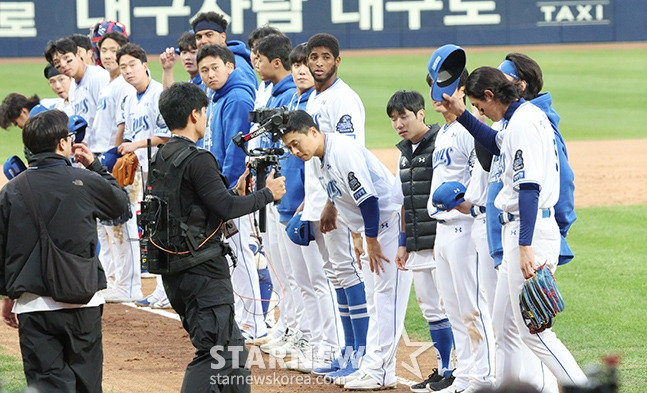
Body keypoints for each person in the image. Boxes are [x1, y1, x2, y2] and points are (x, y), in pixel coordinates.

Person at [439, 66, 588, 388]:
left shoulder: (523, 122)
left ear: (491, 95)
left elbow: (529, 188)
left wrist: (524, 247)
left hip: (528, 233)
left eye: (480, 106)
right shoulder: (521, 117)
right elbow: (494, 142)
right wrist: (462, 114)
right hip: (519, 232)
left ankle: (583, 388)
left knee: (534, 332)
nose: (481, 111)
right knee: (503, 326)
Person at [152, 81, 285, 393]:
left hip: (176, 271)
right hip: (201, 271)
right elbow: (225, 208)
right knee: (217, 353)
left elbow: (200, 202)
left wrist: (232, 192)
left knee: (233, 350)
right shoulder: (198, 159)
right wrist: (268, 194)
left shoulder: (163, 155)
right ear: (195, 114)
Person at [281, 110, 412, 390]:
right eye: (289, 147)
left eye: (296, 143)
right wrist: (331, 207)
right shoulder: (317, 156)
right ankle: (376, 368)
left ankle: (378, 370)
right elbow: (337, 188)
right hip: (374, 229)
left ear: (313, 132)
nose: (294, 151)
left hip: (386, 226)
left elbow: (369, 200)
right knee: (375, 299)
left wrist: (371, 240)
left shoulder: (342, 151)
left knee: (387, 300)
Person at [0, 109, 129, 392]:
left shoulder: (11, 191)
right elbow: (121, 206)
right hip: (83, 301)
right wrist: (95, 166)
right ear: (62, 144)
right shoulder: (84, 181)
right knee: (87, 384)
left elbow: (3, 250)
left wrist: (9, 297)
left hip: (34, 305)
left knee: (47, 386)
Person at [425, 47, 495, 393]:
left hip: (465, 229)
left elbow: (480, 177)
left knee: (472, 308)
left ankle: (485, 377)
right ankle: (466, 376)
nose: (438, 96)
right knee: (453, 310)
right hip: (442, 231)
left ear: (462, 91)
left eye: (446, 89)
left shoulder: (471, 129)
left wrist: (466, 203)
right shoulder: (445, 132)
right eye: (433, 89)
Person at [302, 33, 370, 383]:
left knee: (346, 272)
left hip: (339, 200)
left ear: (337, 61)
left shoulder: (343, 100)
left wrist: (331, 203)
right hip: (319, 200)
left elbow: (348, 157)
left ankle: (361, 354)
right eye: (314, 57)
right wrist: (308, 205)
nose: (318, 63)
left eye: (325, 57)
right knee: (335, 275)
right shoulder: (314, 98)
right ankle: (348, 351)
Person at [196, 44, 269, 341]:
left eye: (215, 67)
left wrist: (224, 191)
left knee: (239, 255)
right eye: (204, 71)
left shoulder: (236, 97)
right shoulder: (218, 95)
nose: (210, 74)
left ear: (230, 66)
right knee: (234, 256)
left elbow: (236, 151)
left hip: (231, 190)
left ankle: (255, 323)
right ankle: (249, 319)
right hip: (221, 188)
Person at [386, 90, 456, 393]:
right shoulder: (404, 153)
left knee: (454, 307)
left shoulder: (440, 142)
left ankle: (463, 370)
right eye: (393, 119)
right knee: (431, 308)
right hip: (417, 244)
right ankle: (445, 369)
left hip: (443, 240)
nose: (399, 123)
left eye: (404, 116)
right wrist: (402, 242)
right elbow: (404, 201)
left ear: (421, 114)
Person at [116, 43, 172, 308]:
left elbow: (167, 135)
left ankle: (165, 289)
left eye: (132, 65)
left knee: (160, 229)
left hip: (159, 169)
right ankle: (161, 288)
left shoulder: (159, 93)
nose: (128, 71)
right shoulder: (129, 99)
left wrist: (135, 146)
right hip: (140, 172)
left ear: (144, 64)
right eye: (123, 67)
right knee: (150, 229)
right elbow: (128, 138)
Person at [93, 31, 141, 303]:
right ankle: (116, 279)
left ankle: (128, 283)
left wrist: (113, 160)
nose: (108, 55)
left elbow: (122, 127)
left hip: (123, 161)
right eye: (104, 50)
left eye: (114, 50)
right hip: (109, 158)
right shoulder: (110, 84)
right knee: (111, 226)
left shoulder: (123, 85)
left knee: (123, 224)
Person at [44, 37, 110, 154]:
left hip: (107, 149)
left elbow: (109, 117)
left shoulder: (98, 77)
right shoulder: (73, 87)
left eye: (67, 59)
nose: (63, 65)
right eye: (57, 64)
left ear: (78, 54)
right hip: (90, 151)